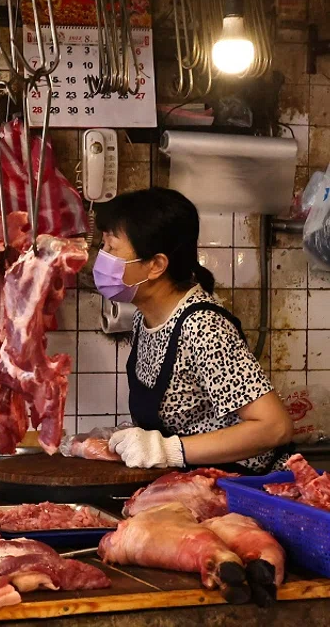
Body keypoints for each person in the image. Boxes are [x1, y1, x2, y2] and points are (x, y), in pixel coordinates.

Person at [94, 188, 293, 473]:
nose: (102, 258)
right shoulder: (144, 319)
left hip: (246, 489)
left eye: (112, 249)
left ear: (156, 265)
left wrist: (170, 449)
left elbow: (274, 427)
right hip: (195, 481)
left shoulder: (203, 326)